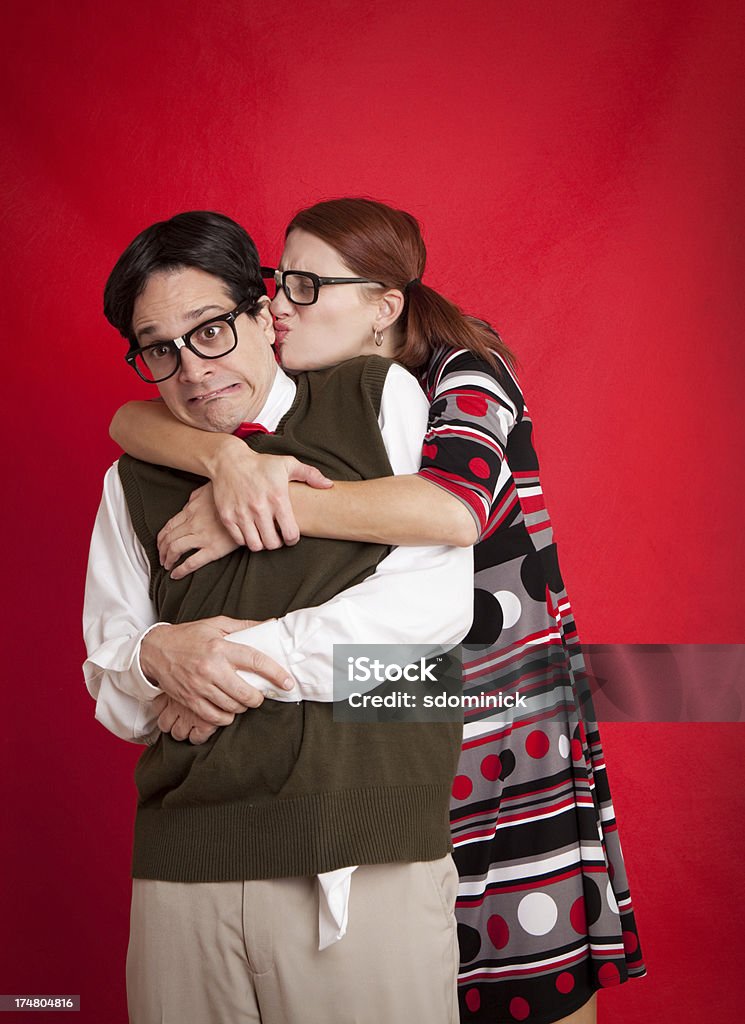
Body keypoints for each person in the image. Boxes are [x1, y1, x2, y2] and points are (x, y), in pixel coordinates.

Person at [111, 198, 647, 1024]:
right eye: (275, 284)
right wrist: (225, 460)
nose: (281, 307)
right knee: (438, 951)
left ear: (381, 306)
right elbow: (132, 420)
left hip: (493, 692)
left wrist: (249, 503)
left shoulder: (460, 372)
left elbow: (454, 513)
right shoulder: (295, 394)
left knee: (528, 949)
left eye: (304, 286)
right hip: (405, 703)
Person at [83, 210, 476, 1024]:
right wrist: (160, 654)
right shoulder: (131, 479)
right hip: (178, 871)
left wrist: (228, 665)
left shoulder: (377, 398)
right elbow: (111, 677)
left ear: (266, 317)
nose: (191, 369)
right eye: (160, 348)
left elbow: (432, 609)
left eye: (212, 330)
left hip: (360, 854)